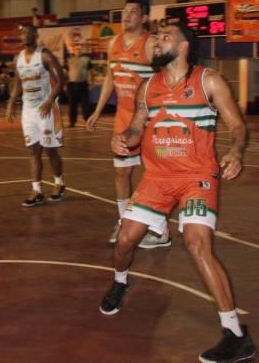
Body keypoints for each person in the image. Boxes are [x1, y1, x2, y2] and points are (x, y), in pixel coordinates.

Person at [100, 23, 256, 363]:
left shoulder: (208, 81)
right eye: (155, 37)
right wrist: (124, 139)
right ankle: (121, 281)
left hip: (196, 177)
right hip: (156, 176)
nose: (156, 41)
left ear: (184, 46)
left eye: (164, 36)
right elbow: (136, 128)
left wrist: (236, 152)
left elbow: (238, 126)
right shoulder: (147, 86)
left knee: (198, 244)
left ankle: (235, 334)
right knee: (125, 240)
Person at [87, 0, 170, 248]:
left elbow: (168, 77)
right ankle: (124, 221)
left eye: (134, 11)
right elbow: (111, 79)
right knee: (121, 172)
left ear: (144, 18)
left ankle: (160, 230)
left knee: (156, 174)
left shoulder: (151, 44)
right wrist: (98, 110)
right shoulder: (114, 43)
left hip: (150, 119)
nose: (128, 15)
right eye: (125, 11)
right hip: (124, 118)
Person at [5, 25, 66, 206]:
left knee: (50, 150)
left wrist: (49, 101)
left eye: (28, 33)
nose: (25, 35)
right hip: (28, 111)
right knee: (33, 151)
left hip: (46, 109)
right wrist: (10, 104)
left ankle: (59, 183)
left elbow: (61, 80)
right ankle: (36, 190)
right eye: (22, 33)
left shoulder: (45, 55)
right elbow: (18, 83)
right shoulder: (19, 58)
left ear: (35, 35)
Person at [66, 52, 92, 127]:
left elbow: (91, 71)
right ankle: (72, 122)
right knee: (72, 104)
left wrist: (92, 82)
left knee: (85, 104)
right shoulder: (69, 59)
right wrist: (64, 83)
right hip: (71, 84)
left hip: (83, 84)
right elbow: (66, 72)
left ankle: (88, 121)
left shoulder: (87, 59)